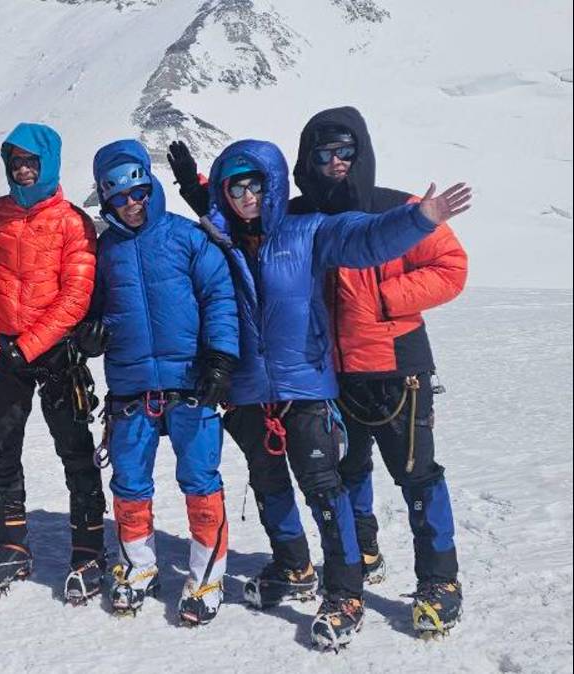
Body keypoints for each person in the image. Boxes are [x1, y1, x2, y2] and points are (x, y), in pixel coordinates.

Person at [198, 139, 471, 649]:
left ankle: (347, 592)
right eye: (235, 188)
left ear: (273, 185)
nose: (247, 196)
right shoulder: (217, 242)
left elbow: (364, 239)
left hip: (307, 385)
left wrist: (419, 219)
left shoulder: (307, 230)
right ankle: (293, 567)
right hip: (249, 391)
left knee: (328, 490)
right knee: (268, 484)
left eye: (256, 184)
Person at [289, 106, 468, 636]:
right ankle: (361, 553)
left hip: (397, 369)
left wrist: (386, 299)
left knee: (416, 475)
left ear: (361, 151)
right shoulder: (298, 217)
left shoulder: (400, 208)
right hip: (329, 374)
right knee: (346, 474)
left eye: (345, 151)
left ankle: (440, 581)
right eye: (324, 153)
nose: (336, 162)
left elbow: (451, 268)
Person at [79, 140, 238, 624]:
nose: (131, 204)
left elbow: (219, 296)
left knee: (200, 479)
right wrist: (90, 332)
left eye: (138, 193)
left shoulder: (187, 237)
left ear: (150, 188)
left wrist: (221, 359)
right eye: (119, 198)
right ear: (107, 201)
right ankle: (138, 567)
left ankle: (206, 576)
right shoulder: (105, 251)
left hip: (192, 382)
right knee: (129, 481)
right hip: (131, 387)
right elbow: (90, 306)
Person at [0, 123, 105, 601]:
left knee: (75, 451)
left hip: (55, 353)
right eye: (16, 162)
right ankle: (11, 544)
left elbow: (75, 297)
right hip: (3, 352)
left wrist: (25, 347)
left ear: (48, 163)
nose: (23, 170)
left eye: (31, 161)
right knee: (0, 448)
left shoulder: (73, 222)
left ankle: (89, 550)